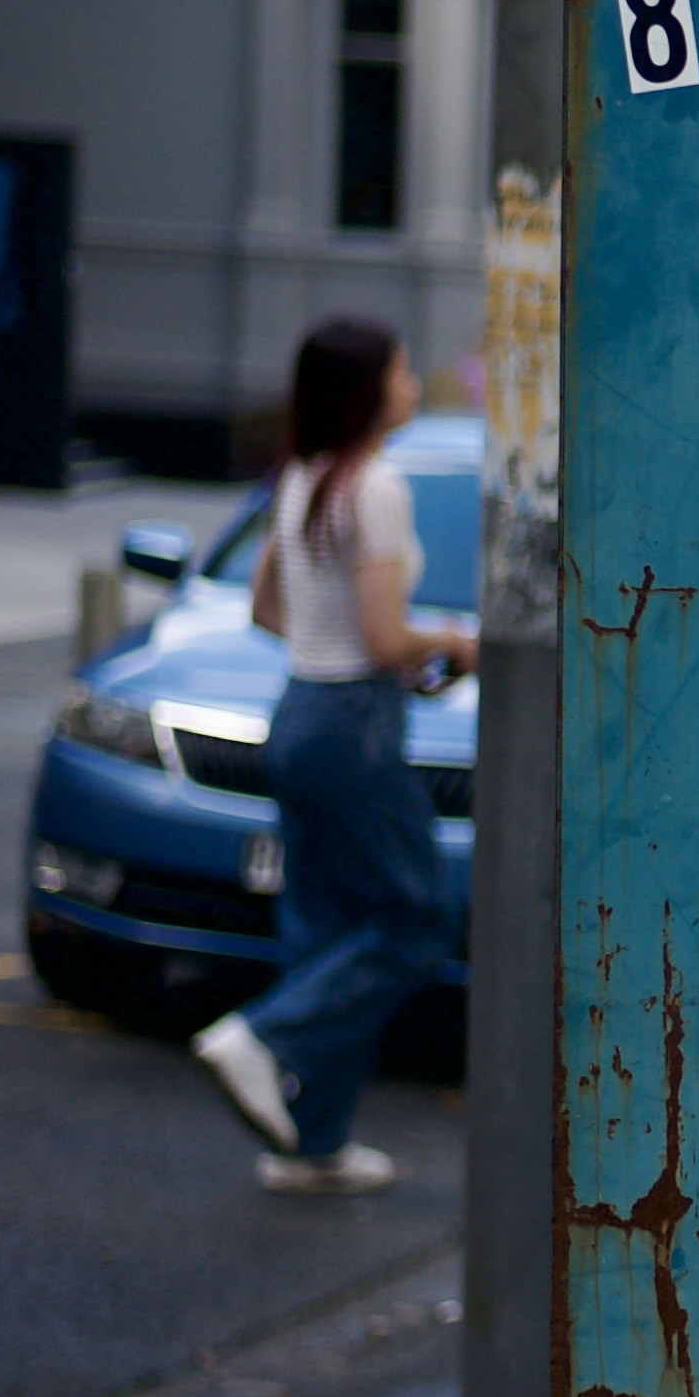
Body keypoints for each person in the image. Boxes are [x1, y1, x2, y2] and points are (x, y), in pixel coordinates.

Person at [191, 319, 475, 1192]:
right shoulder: (377, 485)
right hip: (353, 722)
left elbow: (266, 606)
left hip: (303, 710)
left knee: (323, 930)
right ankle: (263, 1039)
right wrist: (456, 646)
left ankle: (311, 1146)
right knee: (415, 922)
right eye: (398, 367)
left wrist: (369, 656)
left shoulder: (304, 476)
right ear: (368, 389)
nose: (411, 378)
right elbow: (388, 636)